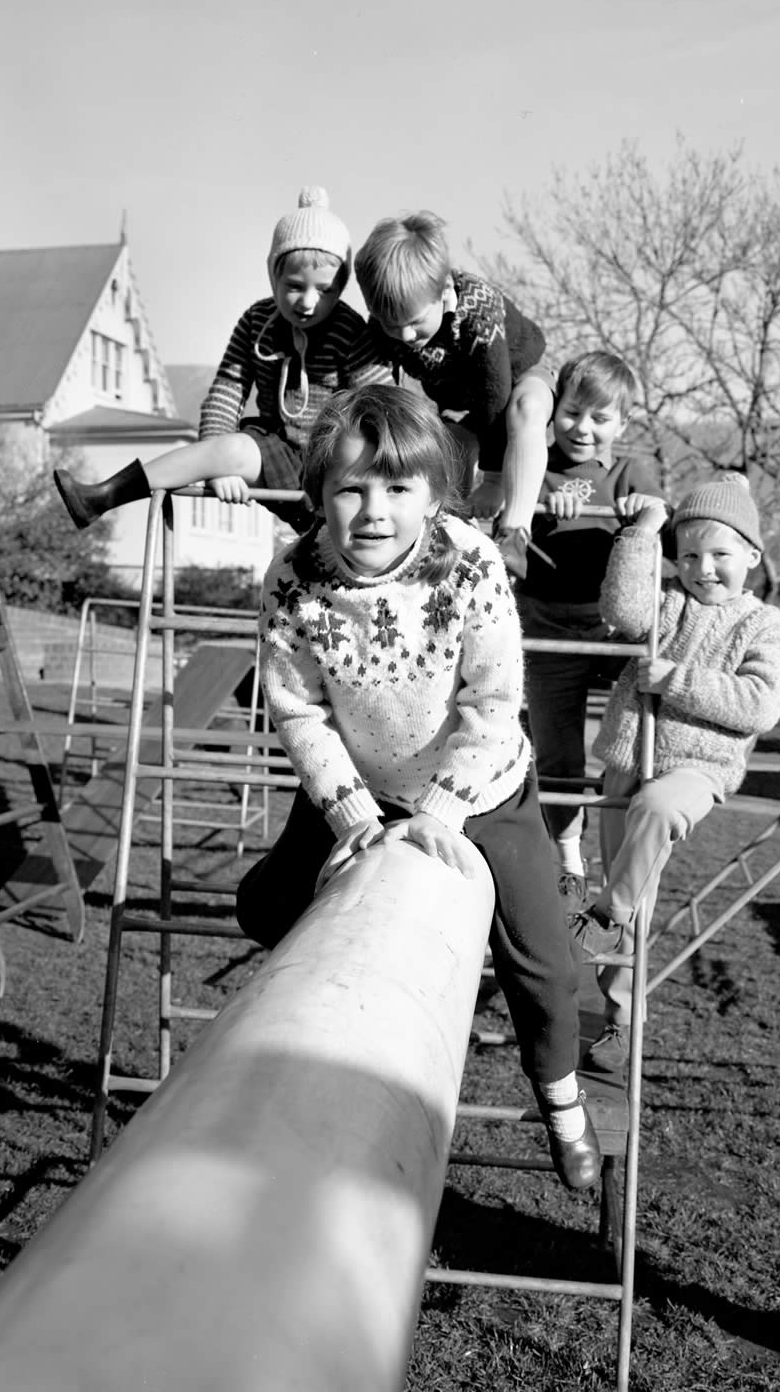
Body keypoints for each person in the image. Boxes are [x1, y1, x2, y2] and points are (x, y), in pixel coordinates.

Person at [235, 382, 601, 1190]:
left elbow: (496, 702)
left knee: (540, 961)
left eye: (398, 488)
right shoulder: (292, 577)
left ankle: (561, 1095)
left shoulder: (467, 561)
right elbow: (297, 709)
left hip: (484, 786)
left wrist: (444, 807)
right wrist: (352, 814)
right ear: (317, 495)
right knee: (267, 908)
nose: (374, 510)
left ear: (435, 495)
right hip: (360, 784)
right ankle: (302, 1042)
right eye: (351, 489)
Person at [572, 471, 780, 1073]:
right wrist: (644, 532)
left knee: (653, 825)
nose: (703, 568)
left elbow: (760, 703)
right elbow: (620, 610)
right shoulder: (667, 603)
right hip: (627, 760)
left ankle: (606, 915)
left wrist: (676, 679)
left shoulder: (765, 626)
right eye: (689, 554)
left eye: (721, 554)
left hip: (698, 769)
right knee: (634, 900)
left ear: (752, 555)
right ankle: (620, 1022)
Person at [53, 187, 390, 535]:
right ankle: (103, 496)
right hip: (275, 454)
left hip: (332, 462)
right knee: (230, 448)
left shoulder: (351, 330)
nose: (307, 302)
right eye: (293, 286)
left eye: (324, 290)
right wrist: (219, 468)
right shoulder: (258, 322)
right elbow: (227, 391)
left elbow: (383, 402)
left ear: (341, 287)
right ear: (273, 276)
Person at [513, 349, 661, 906]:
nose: (583, 429)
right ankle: (569, 860)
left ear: (621, 424)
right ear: (554, 413)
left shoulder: (629, 470)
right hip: (547, 622)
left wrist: (645, 511)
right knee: (556, 746)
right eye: (573, 413)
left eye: (601, 419)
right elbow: (504, 500)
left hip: (611, 626)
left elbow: (656, 514)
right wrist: (537, 503)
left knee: (635, 731)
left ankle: (628, 833)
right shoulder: (535, 463)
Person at [353, 210, 555, 576]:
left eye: (415, 323)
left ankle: (514, 533)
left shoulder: (477, 307)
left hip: (520, 377)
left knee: (524, 409)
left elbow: (495, 394)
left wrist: (492, 480)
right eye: (391, 325)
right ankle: (452, 535)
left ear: (444, 289)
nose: (406, 337)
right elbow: (372, 387)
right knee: (443, 442)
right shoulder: (385, 328)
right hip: (462, 407)